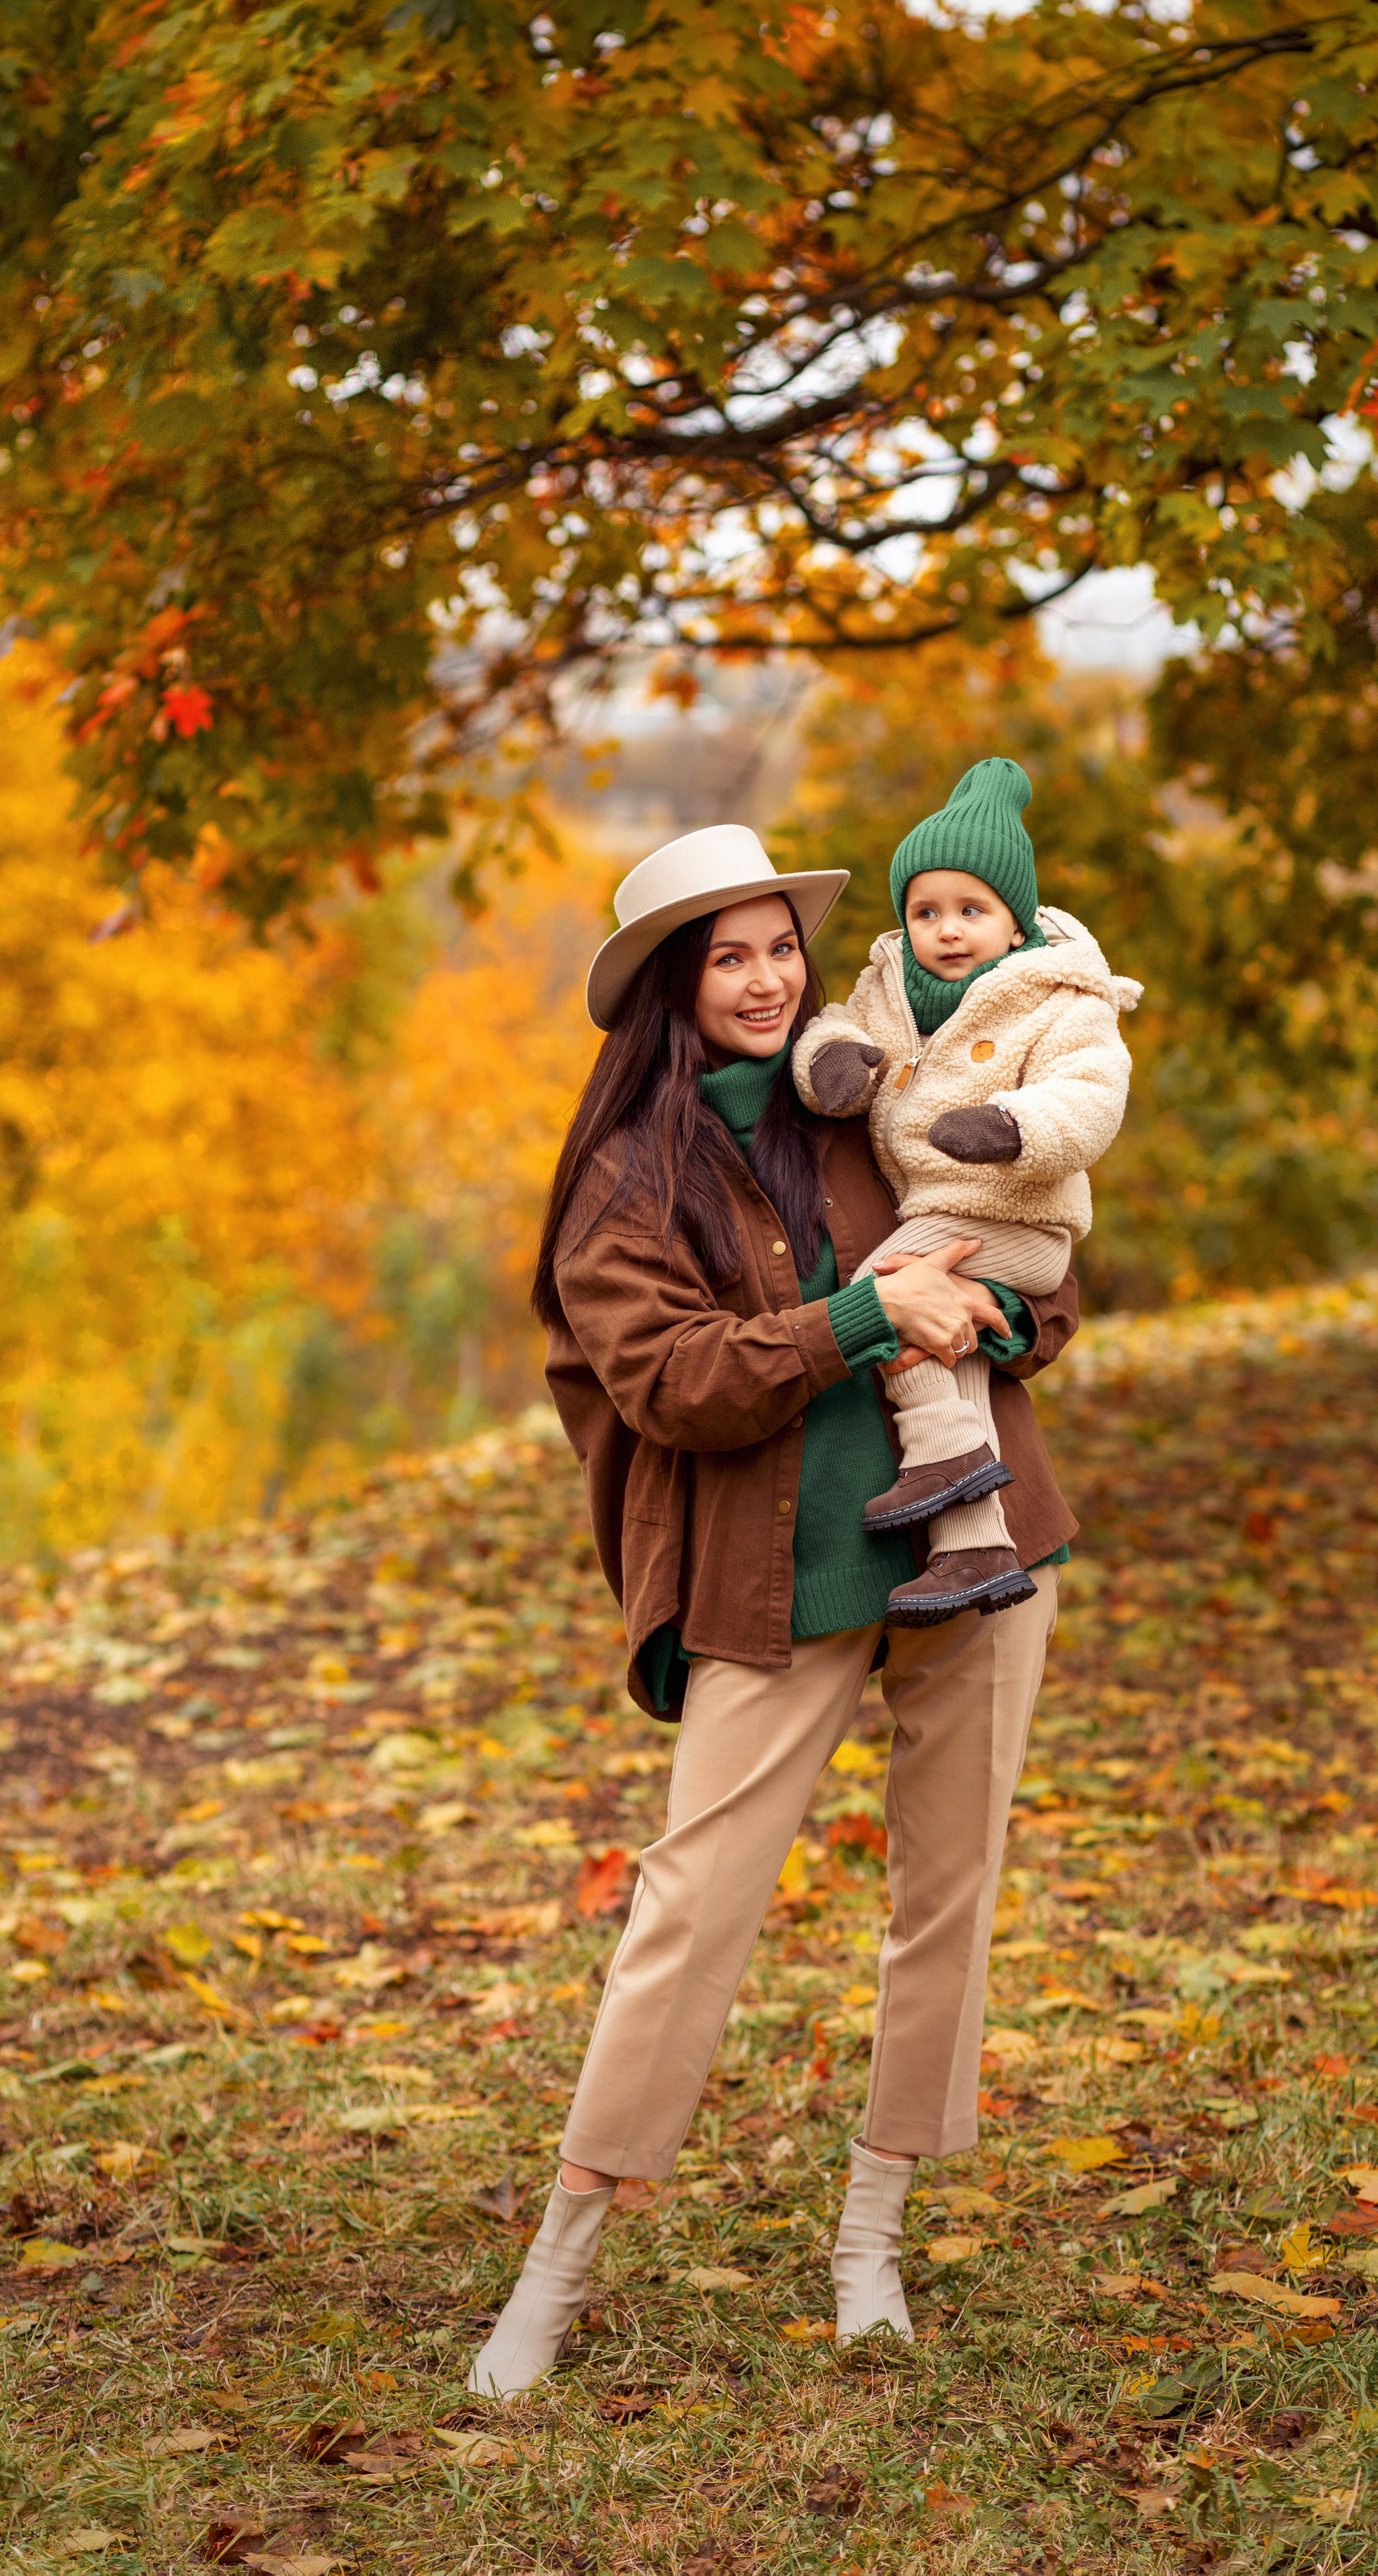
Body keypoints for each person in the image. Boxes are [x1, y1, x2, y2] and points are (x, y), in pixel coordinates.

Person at [466, 824, 1079, 2400]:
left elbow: (1042, 1263)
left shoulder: (875, 1084)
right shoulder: (624, 1175)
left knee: (947, 1897)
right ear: (674, 982)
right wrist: (866, 1309)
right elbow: (667, 1381)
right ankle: (558, 2263)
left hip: (975, 1542)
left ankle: (868, 2235)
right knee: (690, 1908)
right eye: (726, 954)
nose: (763, 978)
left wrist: (989, 1304)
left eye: (778, 947)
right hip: (771, 1570)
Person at [793, 758, 1139, 1626]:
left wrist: (1013, 1126)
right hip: (941, 1213)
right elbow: (833, 1024)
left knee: (875, 1298)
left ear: (1015, 924)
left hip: (1018, 1216)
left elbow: (1091, 1092)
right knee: (933, 1337)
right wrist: (830, 1061)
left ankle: (942, 1459)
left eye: (971, 910)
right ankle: (975, 1547)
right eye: (926, 912)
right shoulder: (889, 990)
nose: (947, 930)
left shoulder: (1058, 997)